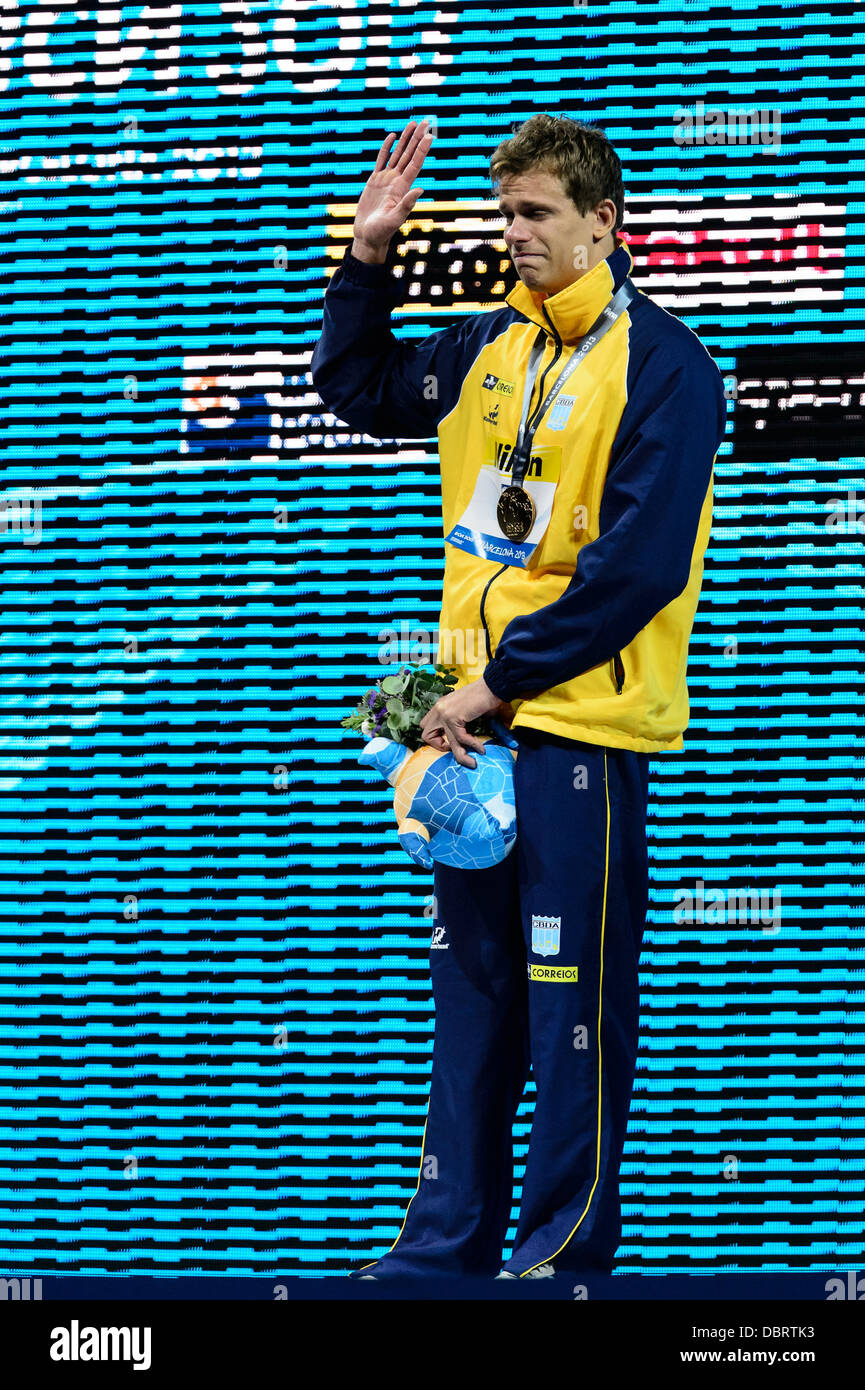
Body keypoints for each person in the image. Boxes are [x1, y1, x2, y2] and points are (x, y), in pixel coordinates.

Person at [311, 114, 725, 1279]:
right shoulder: (489, 345)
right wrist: (368, 256)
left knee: (568, 1007)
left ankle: (558, 1254)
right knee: (474, 998)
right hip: (462, 731)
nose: (516, 234)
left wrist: (493, 685)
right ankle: (443, 1251)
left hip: (572, 733)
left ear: (604, 222)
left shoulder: (667, 368)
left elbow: (636, 570)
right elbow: (353, 384)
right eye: (505, 214)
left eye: (537, 213)